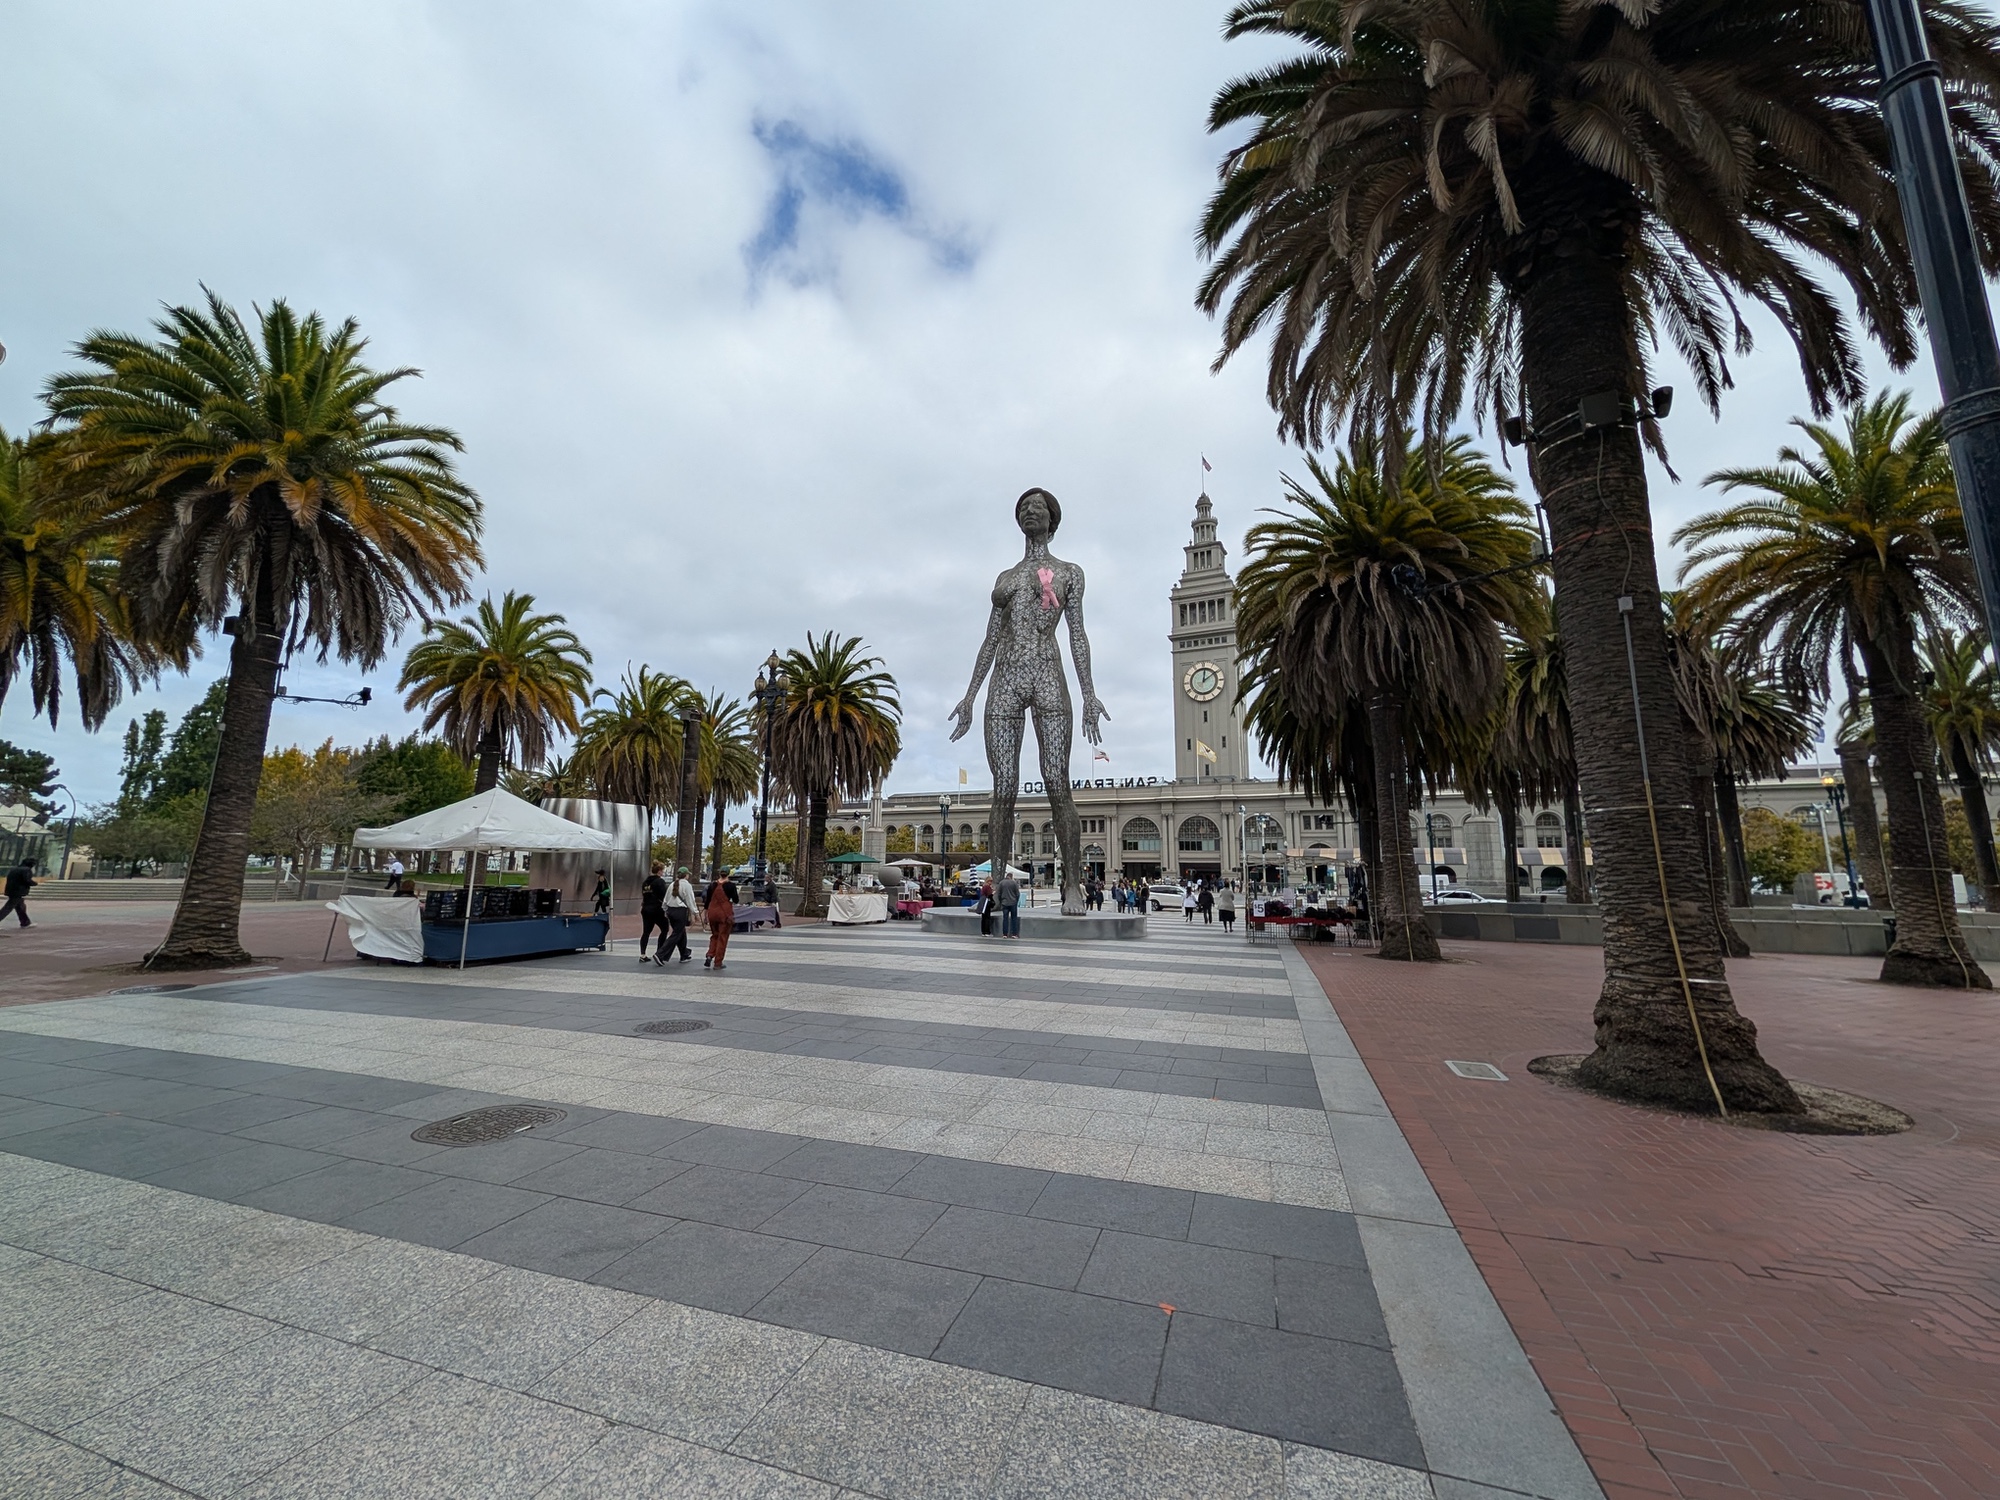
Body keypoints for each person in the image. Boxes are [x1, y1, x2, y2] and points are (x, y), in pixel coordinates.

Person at [656, 865, 695, 965]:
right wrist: (695, 913)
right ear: (686, 875)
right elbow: (690, 900)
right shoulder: (687, 885)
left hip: (671, 911)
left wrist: (665, 910)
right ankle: (660, 954)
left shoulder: (672, 884)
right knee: (676, 934)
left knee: (680, 932)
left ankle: (684, 954)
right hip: (680, 911)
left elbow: (665, 900)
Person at [703, 868, 738, 969]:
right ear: (728, 874)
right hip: (724, 914)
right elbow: (736, 899)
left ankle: (710, 954)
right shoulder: (731, 886)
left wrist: (706, 915)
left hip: (712, 913)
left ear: (719, 874)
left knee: (715, 935)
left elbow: (707, 901)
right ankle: (718, 962)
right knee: (722, 937)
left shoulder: (712, 885)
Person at [638, 861, 670, 961]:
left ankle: (643, 954)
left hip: (645, 909)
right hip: (657, 909)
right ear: (659, 871)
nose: (663, 873)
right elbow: (665, 896)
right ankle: (659, 952)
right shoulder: (660, 882)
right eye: (662, 871)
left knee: (646, 932)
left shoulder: (645, 882)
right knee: (665, 928)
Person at [1, 857, 38, 928]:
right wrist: (34, 883)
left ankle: (25, 922)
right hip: (18, 891)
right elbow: (27, 880)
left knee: (20, 907)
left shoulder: (14, 869)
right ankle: (25, 922)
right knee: (8, 908)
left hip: (10, 890)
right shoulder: (26, 870)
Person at [996, 869, 1022, 938]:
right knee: (1014, 918)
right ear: (1011, 876)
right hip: (1013, 903)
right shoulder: (1014, 883)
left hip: (1004, 903)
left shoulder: (1001, 883)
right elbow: (1018, 894)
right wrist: (1016, 901)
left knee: (1005, 919)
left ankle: (1005, 934)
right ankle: (1014, 934)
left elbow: (998, 894)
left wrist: (1001, 901)